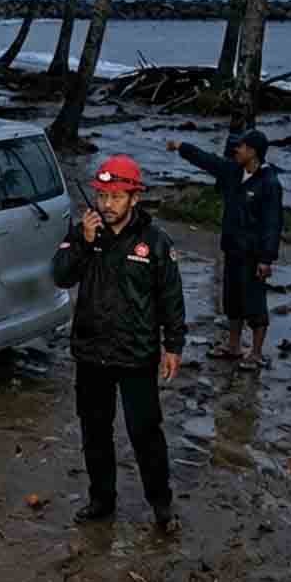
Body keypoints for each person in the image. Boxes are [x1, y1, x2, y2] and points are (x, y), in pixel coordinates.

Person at [50, 155, 185, 532]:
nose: (107, 205)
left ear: (134, 198)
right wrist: (82, 242)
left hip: (136, 355)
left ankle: (161, 505)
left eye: (116, 196)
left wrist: (173, 346)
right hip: (92, 353)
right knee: (95, 431)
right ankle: (101, 500)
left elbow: (171, 297)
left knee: (146, 433)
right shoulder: (84, 233)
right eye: (102, 195)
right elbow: (60, 276)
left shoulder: (155, 243)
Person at [168, 129, 283, 370]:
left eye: (240, 147)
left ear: (252, 152)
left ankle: (256, 353)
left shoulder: (269, 183)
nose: (236, 150)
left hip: (253, 255)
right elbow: (208, 161)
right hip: (232, 249)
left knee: (254, 303)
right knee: (231, 299)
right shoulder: (233, 171)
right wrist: (182, 147)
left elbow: (273, 224)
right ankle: (234, 346)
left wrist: (266, 259)